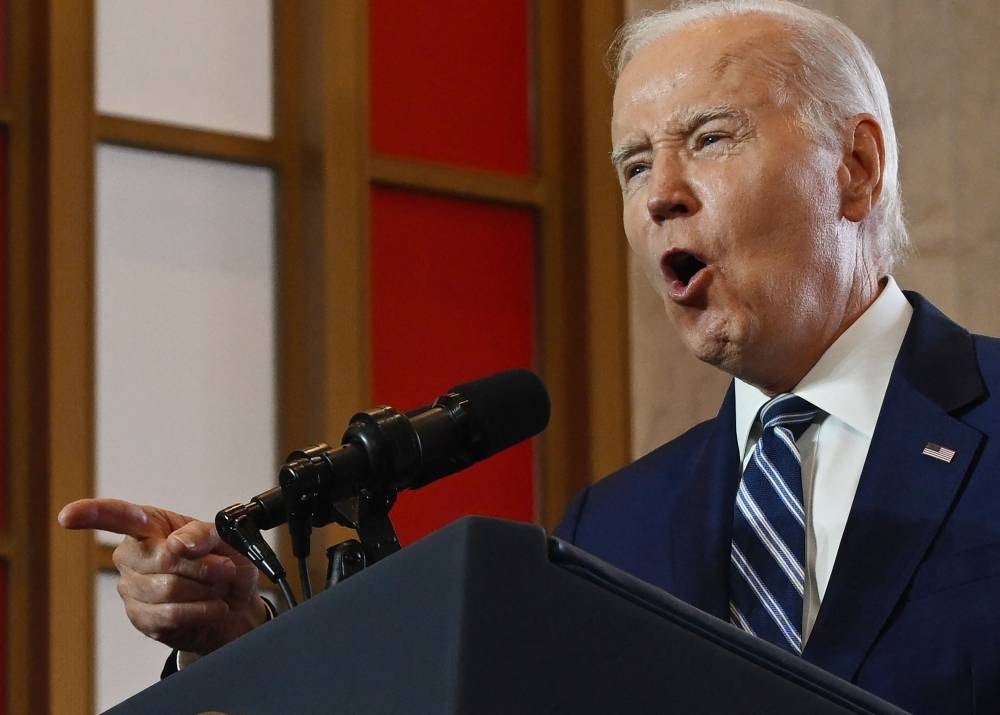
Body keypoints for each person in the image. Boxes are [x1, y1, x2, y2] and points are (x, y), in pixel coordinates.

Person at [59, 1, 1000, 711]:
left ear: (856, 167)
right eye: (633, 166)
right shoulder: (615, 524)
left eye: (709, 138)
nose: (660, 196)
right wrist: (257, 645)